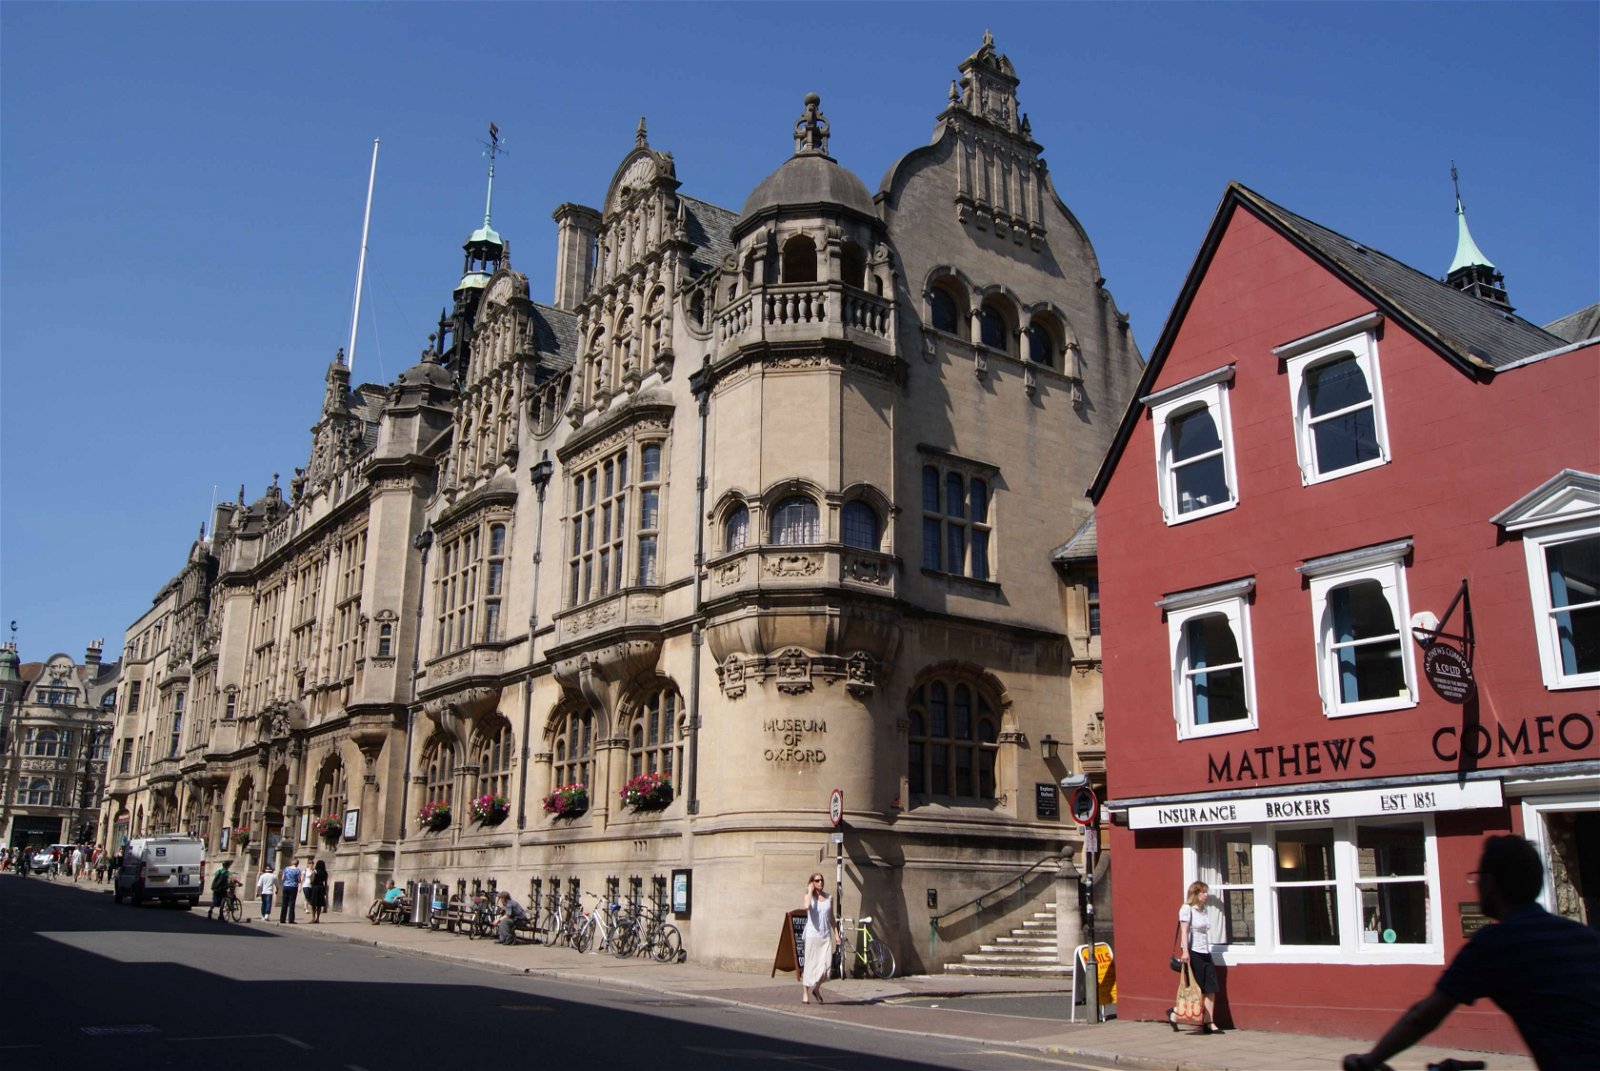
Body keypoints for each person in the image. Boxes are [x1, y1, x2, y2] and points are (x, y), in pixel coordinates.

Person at [1344, 835, 1600, 1071]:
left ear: (1489, 883)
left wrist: (1369, 1061)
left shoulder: (1496, 944)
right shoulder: (1584, 936)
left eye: (1477, 879)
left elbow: (1423, 1017)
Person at [1169, 879, 1223, 1035]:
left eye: (1206, 892)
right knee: (1197, 989)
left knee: (1211, 988)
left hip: (1205, 952)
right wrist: (1185, 952)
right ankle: (1174, 1012)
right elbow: (1184, 932)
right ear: (1195, 894)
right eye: (1203, 892)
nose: (1206, 895)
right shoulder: (1187, 909)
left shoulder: (1203, 911)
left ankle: (1209, 1022)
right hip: (1193, 952)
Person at [800, 872, 839, 1005]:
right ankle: (805, 992)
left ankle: (816, 989)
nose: (820, 883)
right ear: (812, 882)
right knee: (810, 965)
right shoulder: (809, 897)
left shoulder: (829, 897)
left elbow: (831, 917)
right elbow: (806, 907)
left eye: (821, 880)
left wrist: (837, 934)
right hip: (812, 936)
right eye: (817, 881)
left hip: (825, 936)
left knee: (826, 967)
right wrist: (810, 891)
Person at [278, 858, 302, 924]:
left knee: (284, 903)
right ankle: (291, 920)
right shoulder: (297, 870)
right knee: (292, 903)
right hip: (293, 887)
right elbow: (299, 880)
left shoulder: (286, 869)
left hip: (286, 886)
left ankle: (282, 919)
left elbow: (283, 878)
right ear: (297, 864)